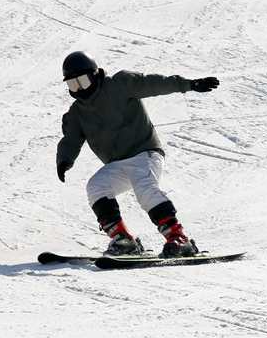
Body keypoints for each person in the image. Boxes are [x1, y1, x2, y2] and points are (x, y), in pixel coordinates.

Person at [55, 51, 220, 258]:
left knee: (145, 188)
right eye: (73, 84)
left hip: (145, 153)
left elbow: (154, 84)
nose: (79, 89)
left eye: (83, 81)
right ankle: (123, 240)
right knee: (97, 187)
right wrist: (64, 159)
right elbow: (71, 139)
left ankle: (179, 238)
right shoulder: (76, 113)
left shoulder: (120, 85)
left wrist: (188, 84)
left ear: (95, 75)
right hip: (117, 165)